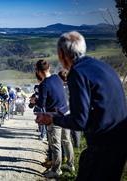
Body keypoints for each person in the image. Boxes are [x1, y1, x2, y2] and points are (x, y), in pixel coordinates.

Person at [36, 31, 127, 181]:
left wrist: (52, 119)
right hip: (120, 141)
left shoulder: (77, 72)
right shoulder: (103, 66)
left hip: (102, 145)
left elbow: (80, 121)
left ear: (61, 54)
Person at [35, 59, 70, 178]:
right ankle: (70, 164)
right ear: (49, 68)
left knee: (55, 145)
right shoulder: (56, 77)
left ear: (39, 72)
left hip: (55, 116)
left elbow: (41, 104)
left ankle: (56, 170)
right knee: (66, 140)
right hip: (66, 112)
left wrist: (35, 100)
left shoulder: (43, 85)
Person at [58, 70, 81, 149]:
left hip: (64, 112)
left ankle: (65, 154)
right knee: (75, 132)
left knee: (65, 136)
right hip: (74, 111)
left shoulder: (60, 87)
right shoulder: (74, 85)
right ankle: (76, 149)